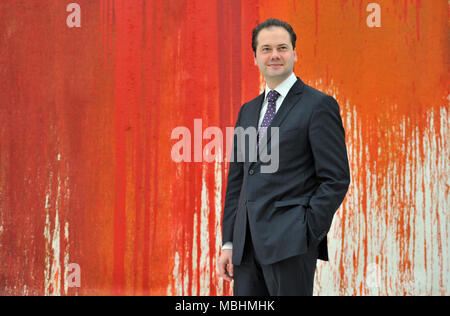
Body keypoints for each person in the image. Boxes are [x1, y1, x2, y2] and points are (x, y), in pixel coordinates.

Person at [217, 18, 351, 296]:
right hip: (245, 249)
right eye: (266, 49)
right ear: (255, 57)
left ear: (294, 53)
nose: (274, 55)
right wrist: (229, 242)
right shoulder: (248, 110)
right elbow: (238, 180)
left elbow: (335, 178)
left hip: (290, 244)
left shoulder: (319, 106)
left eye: (282, 47)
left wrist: (306, 231)